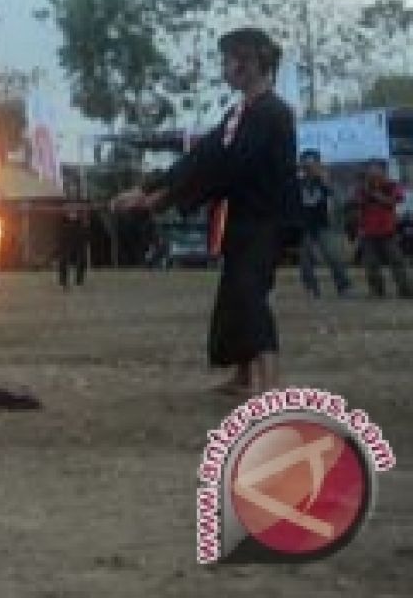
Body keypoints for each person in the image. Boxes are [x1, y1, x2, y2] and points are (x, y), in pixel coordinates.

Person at [113, 28, 297, 396]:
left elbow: (231, 167)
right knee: (233, 294)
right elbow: (202, 156)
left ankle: (271, 384)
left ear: (253, 65)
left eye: (233, 60)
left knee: (249, 293)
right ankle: (244, 376)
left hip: (265, 220)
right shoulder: (239, 113)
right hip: (242, 218)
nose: (227, 68)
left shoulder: (271, 113)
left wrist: (165, 199)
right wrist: (149, 188)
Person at [353, 158, 412, 298]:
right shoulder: (361, 189)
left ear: (383, 171)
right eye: (370, 170)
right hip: (369, 232)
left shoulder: (391, 186)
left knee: (397, 262)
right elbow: (358, 206)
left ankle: (405, 290)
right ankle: (377, 291)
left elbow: (394, 200)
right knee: (371, 264)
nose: (373, 172)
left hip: (387, 231)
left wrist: (375, 194)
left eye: (376, 169)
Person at [297, 149, 351, 298]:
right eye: (306, 164)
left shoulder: (325, 182)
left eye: (312, 163)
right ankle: (311, 289)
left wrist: (326, 182)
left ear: (318, 164)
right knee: (305, 261)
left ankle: (343, 287)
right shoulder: (297, 183)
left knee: (333, 257)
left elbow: (342, 200)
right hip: (303, 226)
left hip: (323, 224)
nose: (309, 168)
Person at [56, 199, 89, 288]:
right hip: (66, 232)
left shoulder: (82, 205)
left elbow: (85, 222)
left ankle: (79, 280)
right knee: (63, 258)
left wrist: (84, 220)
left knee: (82, 257)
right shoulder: (63, 204)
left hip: (78, 232)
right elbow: (60, 218)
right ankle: (63, 281)